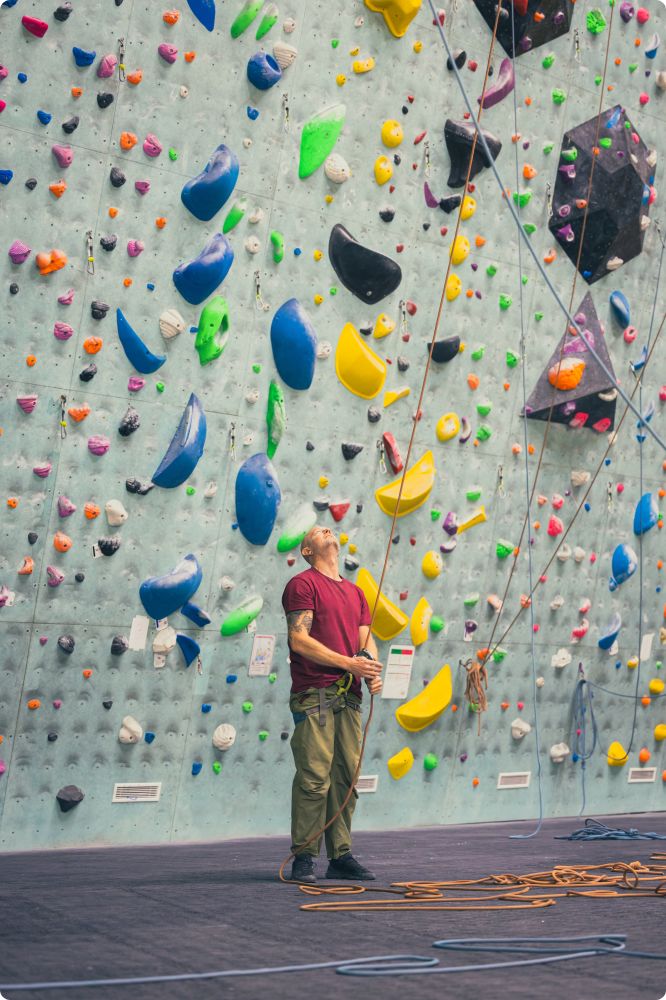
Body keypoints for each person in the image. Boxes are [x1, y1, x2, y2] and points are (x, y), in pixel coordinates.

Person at [282, 525, 383, 884]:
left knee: (345, 779)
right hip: (316, 694)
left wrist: (371, 668)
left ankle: (340, 855)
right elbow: (299, 640)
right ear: (308, 551)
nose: (326, 528)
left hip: (350, 697)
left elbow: (365, 640)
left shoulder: (356, 593)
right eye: (315, 532)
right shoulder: (303, 584)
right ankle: (304, 856)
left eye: (327, 528)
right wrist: (348, 663)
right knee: (314, 779)